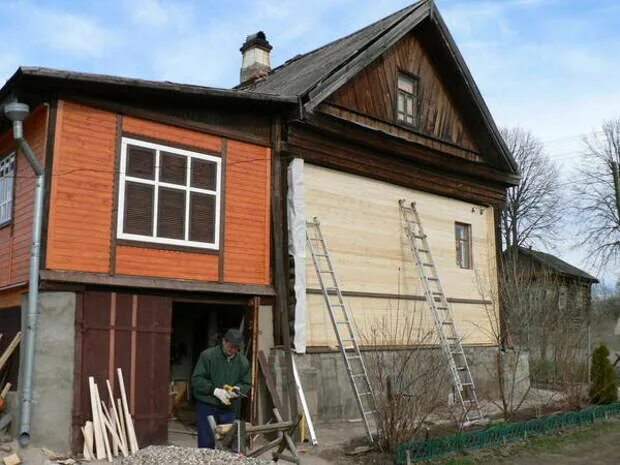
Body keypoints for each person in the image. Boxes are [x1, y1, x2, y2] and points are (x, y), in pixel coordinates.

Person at [191, 328, 251, 449]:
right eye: (230, 346)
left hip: (229, 407)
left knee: (228, 443)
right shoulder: (208, 356)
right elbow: (196, 380)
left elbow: (246, 383)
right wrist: (214, 390)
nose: (233, 350)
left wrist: (237, 389)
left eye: (236, 348)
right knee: (206, 444)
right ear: (224, 341)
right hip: (207, 405)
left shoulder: (242, 361)